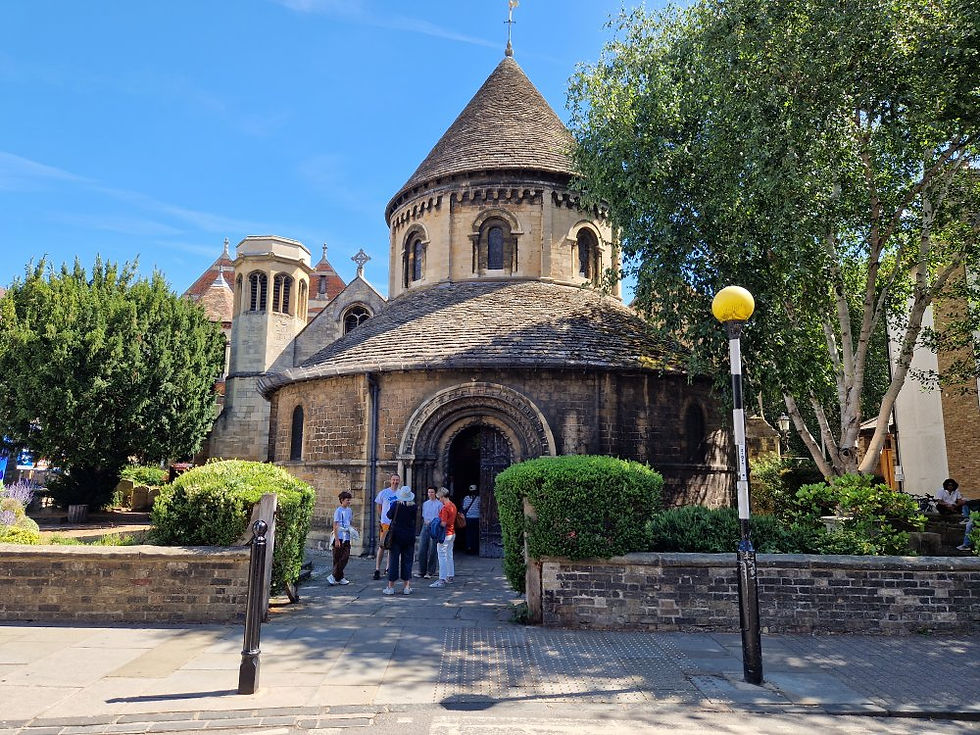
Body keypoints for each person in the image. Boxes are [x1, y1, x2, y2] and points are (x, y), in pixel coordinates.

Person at [383, 485, 416, 595]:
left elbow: (388, 515)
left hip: (396, 537)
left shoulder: (395, 505)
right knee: (407, 561)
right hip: (409, 537)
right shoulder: (413, 507)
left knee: (393, 561)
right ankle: (406, 587)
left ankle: (391, 587)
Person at [374, 473, 400, 580]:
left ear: (399, 481)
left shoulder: (400, 493)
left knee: (392, 546)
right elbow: (379, 505)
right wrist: (382, 517)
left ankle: (388, 568)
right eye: (393, 480)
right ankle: (377, 569)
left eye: (397, 480)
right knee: (382, 546)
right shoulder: (384, 493)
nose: (395, 482)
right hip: (385, 523)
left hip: (395, 523)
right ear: (390, 480)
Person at [430, 486, 457, 588]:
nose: (439, 500)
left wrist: (435, 523)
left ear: (442, 497)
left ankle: (441, 579)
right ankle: (450, 576)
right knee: (449, 555)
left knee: (442, 556)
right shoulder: (453, 505)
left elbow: (443, 523)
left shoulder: (445, 508)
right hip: (452, 533)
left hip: (444, 534)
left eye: (439, 498)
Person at [327, 491, 354, 585]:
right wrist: (337, 539)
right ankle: (339, 577)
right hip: (339, 536)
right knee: (337, 558)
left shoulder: (349, 510)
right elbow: (335, 525)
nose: (349, 502)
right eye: (347, 500)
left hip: (347, 537)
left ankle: (334, 576)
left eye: (349, 500)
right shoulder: (338, 511)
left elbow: (349, 523)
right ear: (342, 500)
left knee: (345, 557)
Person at [416, 486, 441, 578]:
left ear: (435, 493)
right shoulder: (425, 504)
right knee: (422, 549)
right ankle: (421, 570)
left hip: (434, 526)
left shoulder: (439, 504)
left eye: (432, 492)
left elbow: (439, 517)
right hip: (425, 526)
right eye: (429, 492)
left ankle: (430, 571)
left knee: (432, 550)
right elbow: (424, 515)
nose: (430, 494)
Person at [461, 485, 481, 555]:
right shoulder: (479, 498)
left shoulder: (466, 498)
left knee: (468, 533)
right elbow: (481, 507)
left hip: (468, 518)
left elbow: (464, 507)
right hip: (477, 518)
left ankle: (469, 547)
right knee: (475, 534)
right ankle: (475, 548)